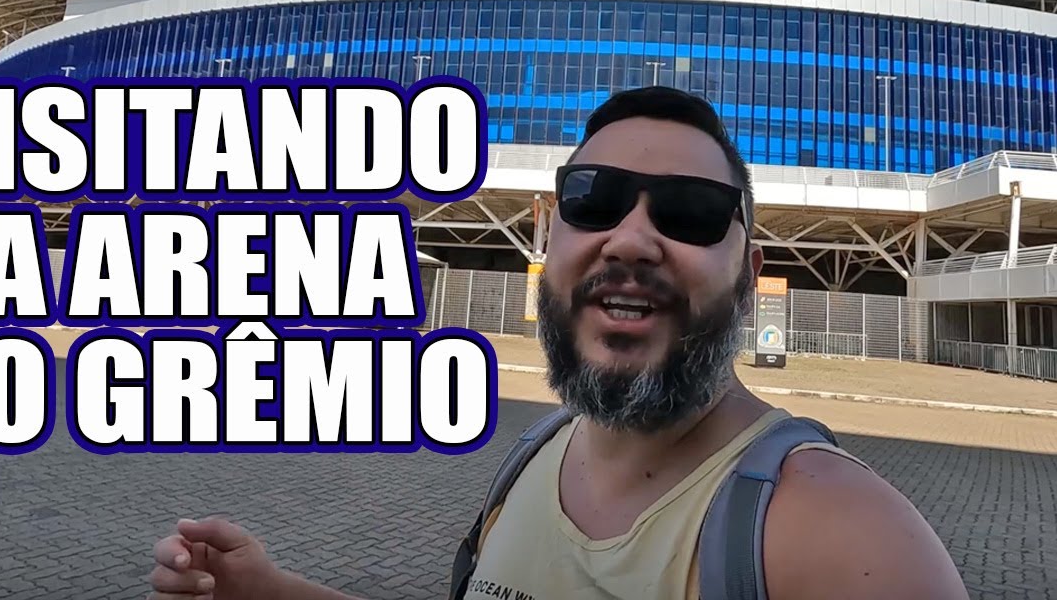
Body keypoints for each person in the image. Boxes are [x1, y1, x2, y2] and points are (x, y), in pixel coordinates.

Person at [147, 86, 970, 600]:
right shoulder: (534, 456)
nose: (631, 239)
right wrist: (270, 591)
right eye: (594, 199)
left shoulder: (843, 538)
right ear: (552, 239)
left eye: (688, 211)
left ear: (749, 275)